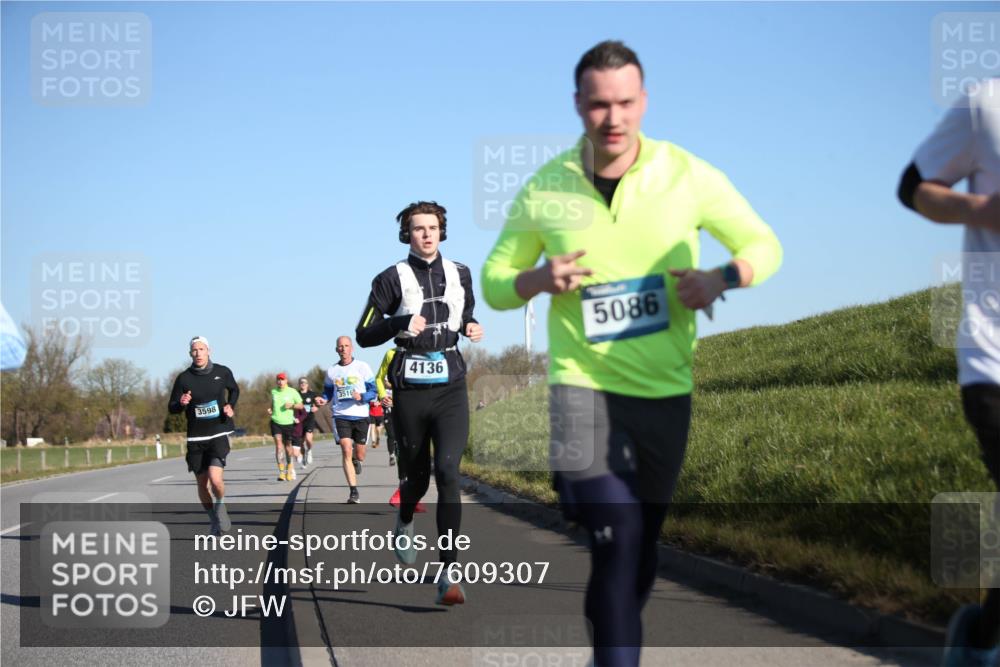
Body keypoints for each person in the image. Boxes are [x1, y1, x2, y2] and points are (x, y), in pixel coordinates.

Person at [481, 41, 782, 663]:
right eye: (597, 105)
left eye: (625, 103)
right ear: (577, 105)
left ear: (643, 101)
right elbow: (494, 281)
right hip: (579, 388)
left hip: (664, 394)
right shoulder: (547, 187)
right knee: (617, 540)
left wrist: (720, 279)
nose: (612, 119)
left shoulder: (687, 175)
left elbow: (764, 244)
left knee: (639, 548)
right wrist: (540, 279)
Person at [897, 77, 999, 667]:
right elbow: (914, 187)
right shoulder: (986, 103)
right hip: (994, 358)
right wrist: (982, 208)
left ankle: (981, 636)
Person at [356, 200, 484, 605]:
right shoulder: (390, 279)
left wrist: (470, 326)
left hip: (450, 384)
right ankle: (405, 517)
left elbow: (465, 314)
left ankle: (448, 572)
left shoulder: (460, 272)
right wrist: (399, 322)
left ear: (441, 232)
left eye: (432, 228)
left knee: (448, 471)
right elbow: (364, 334)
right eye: (417, 228)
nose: (426, 234)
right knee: (417, 480)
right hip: (410, 389)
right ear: (406, 234)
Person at [167, 336, 240, 536]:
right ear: (190, 353)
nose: (198, 353)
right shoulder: (184, 378)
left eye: (201, 349)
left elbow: (234, 390)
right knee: (202, 483)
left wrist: (230, 405)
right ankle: (213, 521)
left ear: (209, 350)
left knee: (216, 480)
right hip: (196, 438)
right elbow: (172, 408)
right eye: (194, 350)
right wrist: (181, 402)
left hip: (218, 433)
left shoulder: (222, 372)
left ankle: (220, 506)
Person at [317, 336, 376, 504]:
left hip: (361, 415)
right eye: (340, 346)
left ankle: (357, 461)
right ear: (336, 350)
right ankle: (353, 491)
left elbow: (374, 392)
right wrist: (323, 399)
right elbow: (328, 392)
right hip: (340, 414)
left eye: (346, 346)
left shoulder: (362, 367)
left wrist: (362, 396)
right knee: (345, 449)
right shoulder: (331, 371)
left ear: (352, 348)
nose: (343, 349)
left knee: (360, 453)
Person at [269, 372, 303, 482]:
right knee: (279, 446)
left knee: (288, 447)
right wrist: (271, 410)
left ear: (286, 381)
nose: (280, 381)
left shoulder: (292, 392)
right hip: (275, 421)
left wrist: (292, 406)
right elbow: (273, 404)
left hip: (288, 423)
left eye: (282, 379)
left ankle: (289, 469)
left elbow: (301, 405)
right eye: (278, 379)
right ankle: (281, 472)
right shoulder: (273, 391)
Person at [297, 377, 320, 467]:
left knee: (308, 439)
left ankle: (309, 451)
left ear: (307, 384)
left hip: (309, 419)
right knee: (301, 442)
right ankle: (303, 458)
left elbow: (319, 403)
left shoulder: (312, 394)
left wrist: (317, 407)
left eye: (305, 383)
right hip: (299, 420)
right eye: (301, 383)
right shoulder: (296, 394)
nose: (303, 384)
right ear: (299, 384)